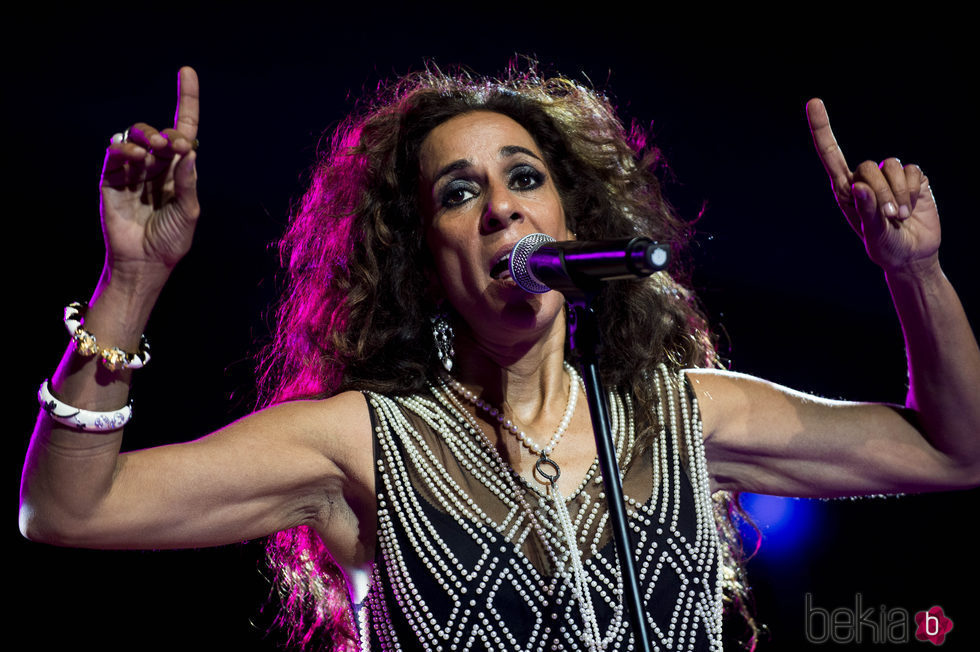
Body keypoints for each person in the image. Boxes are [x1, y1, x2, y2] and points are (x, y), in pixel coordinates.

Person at [19, 65, 979, 652]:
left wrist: (916, 273)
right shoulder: (364, 440)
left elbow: (955, 452)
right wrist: (134, 280)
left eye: (525, 179)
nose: (504, 209)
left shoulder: (680, 413)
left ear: (573, 217)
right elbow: (70, 509)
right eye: (458, 193)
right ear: (422, 257)